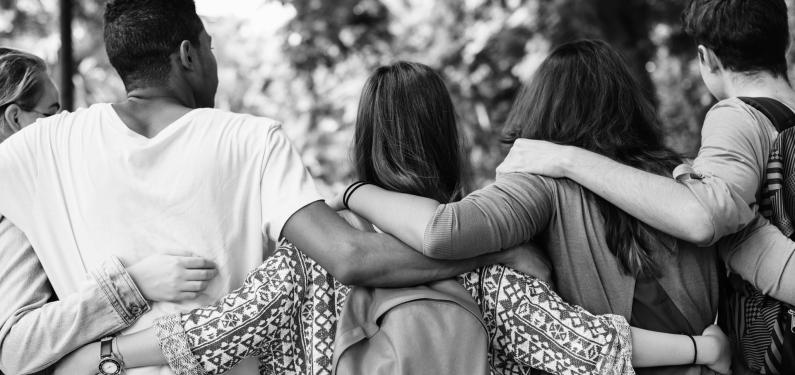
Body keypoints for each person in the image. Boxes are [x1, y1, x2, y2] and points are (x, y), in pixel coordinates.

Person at [57, 60, 729, 375]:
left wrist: (106, 352)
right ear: (445, 138)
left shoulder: (308, 257)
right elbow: (586, 348)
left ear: (364, 142)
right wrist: (702, 348)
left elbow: (213, 331)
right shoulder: (490, 258)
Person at [0, 1, 535, 375]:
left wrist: (104, 352)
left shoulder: (33, 150)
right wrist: (490, 254)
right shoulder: (251, 139)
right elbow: (348, 255)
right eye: (209, 47)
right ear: (188, 54)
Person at [337, 41, 725, 375]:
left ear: (542, 106)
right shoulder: (680, 180)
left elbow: (442, 231)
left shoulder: (539, 189)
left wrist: (352, 192)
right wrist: (707, 349)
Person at [496, 0, 795, 373]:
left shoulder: (737, 116)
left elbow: (703, 216)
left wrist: (565, 159)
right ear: (783, 43)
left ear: (707, 59)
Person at [0, 47, 220, 374]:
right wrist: (133, 286)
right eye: (51, 113)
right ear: (16, 119)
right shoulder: (18, 209)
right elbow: (16, 348)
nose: (62, 122)